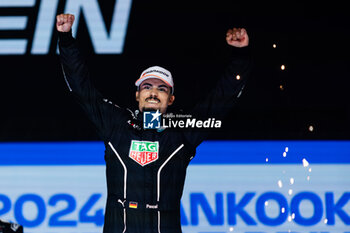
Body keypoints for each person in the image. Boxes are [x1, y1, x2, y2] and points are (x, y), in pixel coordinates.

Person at [56, 13, 251, 233]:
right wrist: (66, 40)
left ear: (171, 98)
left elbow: (221, 100)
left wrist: (239, 58)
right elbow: (81, 89)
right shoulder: (116, 124)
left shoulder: (183, 130)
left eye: (162, 88)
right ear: (137, 95)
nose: (153, 92)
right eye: (147, 87)